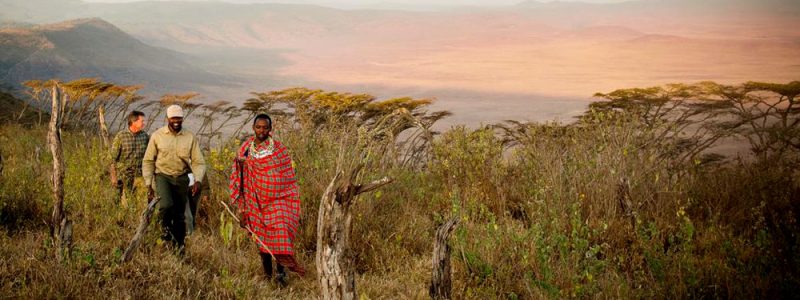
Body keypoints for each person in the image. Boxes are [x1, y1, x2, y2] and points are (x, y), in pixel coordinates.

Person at [229, 113, 305, 284]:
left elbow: (288, 178)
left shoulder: (279, 150)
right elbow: (240, 182)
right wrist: (242, 209)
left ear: (270, 129)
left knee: (280, 235)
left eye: (265, 127)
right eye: (258, 127)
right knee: (262, 241)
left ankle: (280, 275)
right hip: (255, 203)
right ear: (253, 128)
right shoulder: (245, 150)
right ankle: (267, 276)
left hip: (279, 201)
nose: (261, 130)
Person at [142, 105, 206, 253]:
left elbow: (198, 162)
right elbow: (148, 161)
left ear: (182, 118)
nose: (176, 121)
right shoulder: (157, 136)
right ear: (168, 119)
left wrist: (197, 180)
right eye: (173, 118)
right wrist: (148, 184)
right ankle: (164, 233)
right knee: (166, 205)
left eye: (179, 118)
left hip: (182, 177)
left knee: (179, 214)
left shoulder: (190, 137)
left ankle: (179, 244)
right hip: (163, 176)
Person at [109, 111, 149, 208]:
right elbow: (112, 159)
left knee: (142, 202)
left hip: (140, 175)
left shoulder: (145, 136)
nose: (144, 123)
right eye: (141, 121)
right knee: (124, 203)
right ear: (133, 122)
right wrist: (113, 177)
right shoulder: (121, 136)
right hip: (124, 174)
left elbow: (149, 156)